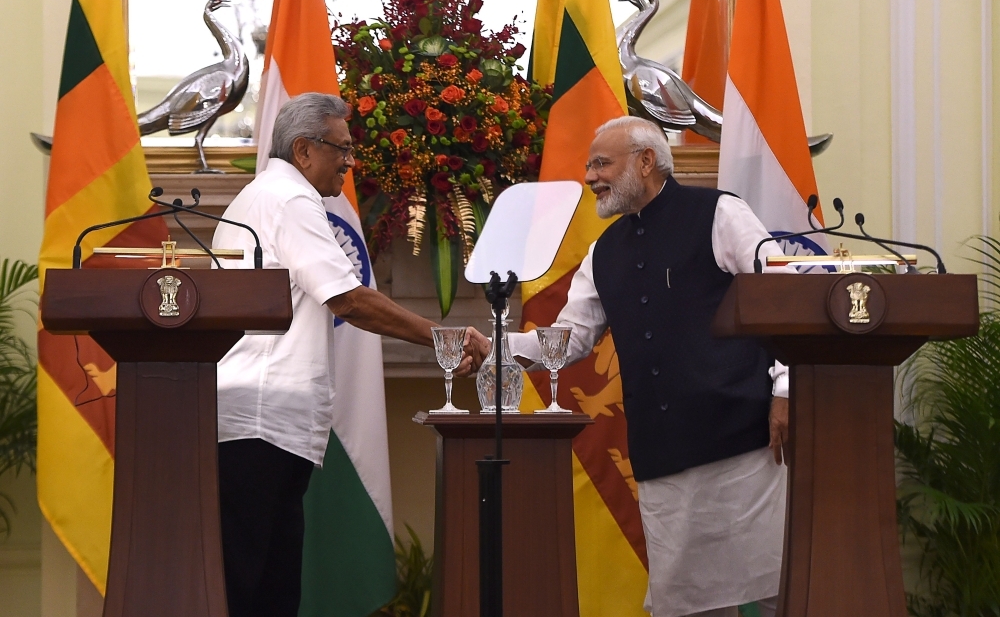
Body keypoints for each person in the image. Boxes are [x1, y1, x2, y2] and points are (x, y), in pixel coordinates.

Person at [470, 116, 792, 617]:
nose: (591, 176)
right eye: (588, 165)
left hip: (745, 443)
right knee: (687, 606)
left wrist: (785, 390)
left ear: (646, 161)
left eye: (601, 163)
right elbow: (571, 337)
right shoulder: (604, 250)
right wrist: (495, 348)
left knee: (782, 591)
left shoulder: (719, 213)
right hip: (662, 454)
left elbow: (781, 297)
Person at [211, 92, 474, 617]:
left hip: (260, 419)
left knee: (267, 585)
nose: (351, 162)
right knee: (254, 587)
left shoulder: (263, 195)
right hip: (260, 420)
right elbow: (349, 297)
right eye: (342, 149)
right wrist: (443, 337)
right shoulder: (290, 200)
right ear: (304, 150)